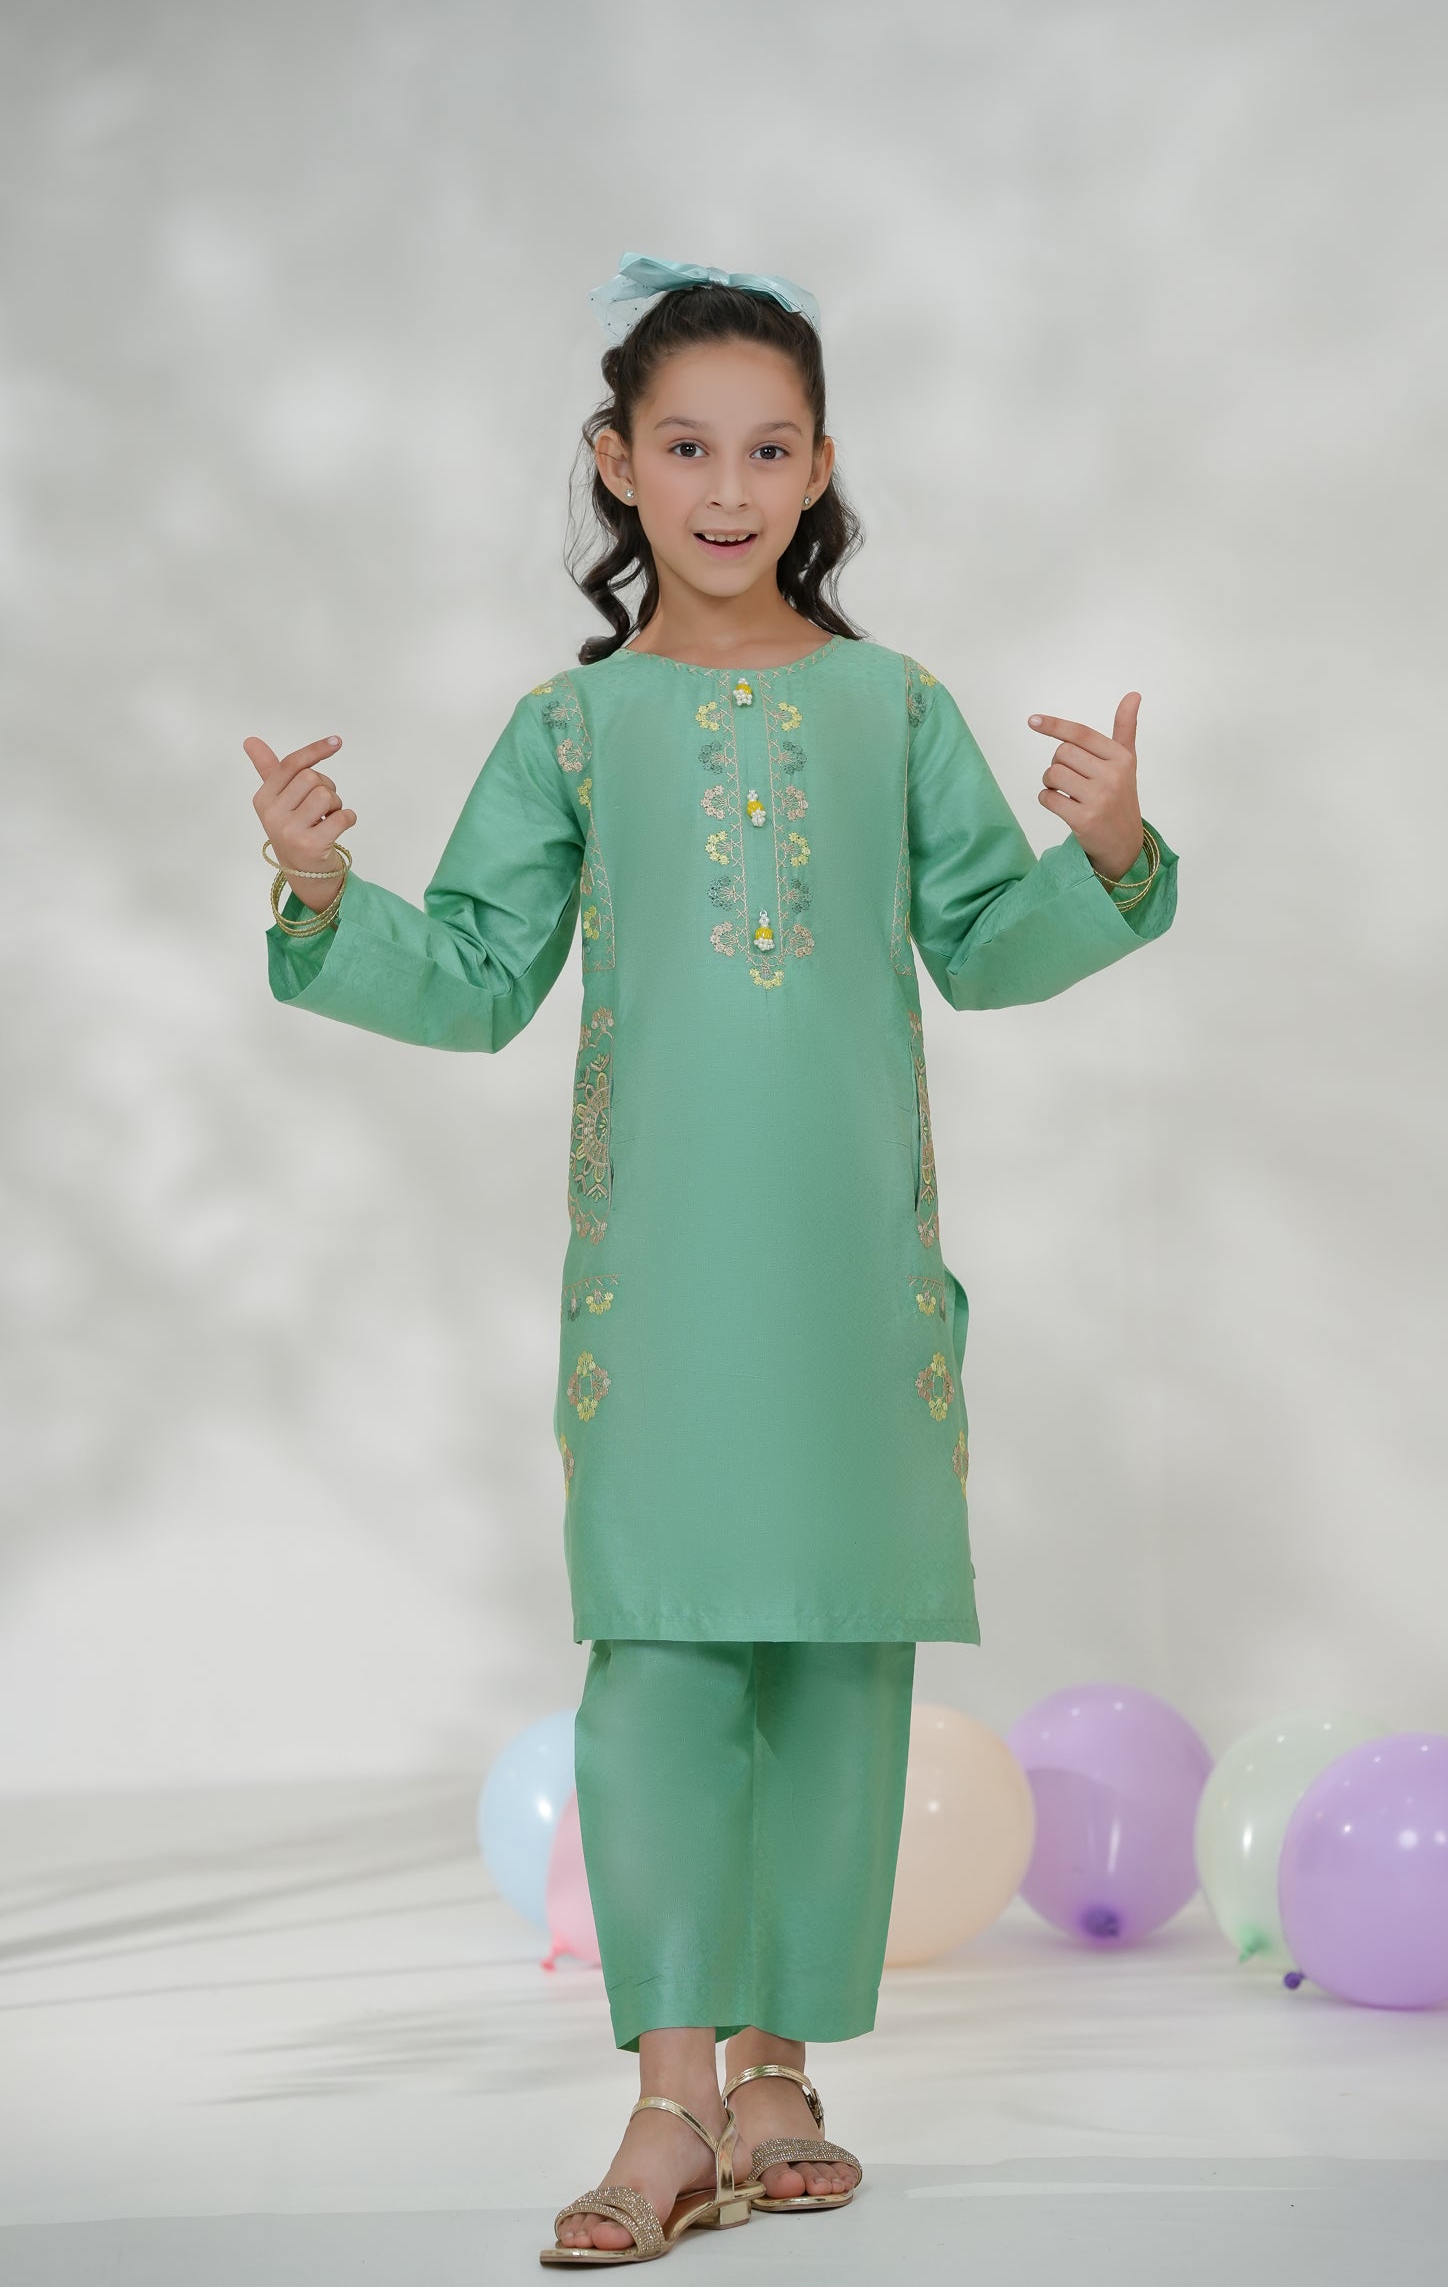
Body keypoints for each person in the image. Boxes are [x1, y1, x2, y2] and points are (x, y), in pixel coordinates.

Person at [243, 250, 1179, 2268]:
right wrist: (325, 892)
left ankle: (778, 2082)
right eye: (688, 447)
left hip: (851, 1277)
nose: (729, 487)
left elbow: (985, 945)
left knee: (835, 1657)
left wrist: (1106, 853)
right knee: (664, 1659)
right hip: (661, 1281)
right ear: (618, 462)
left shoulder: (891, 707)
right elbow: (477, 974)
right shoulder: (573, 730)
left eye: (769, 449)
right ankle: (670, 2105)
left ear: (821, 466)